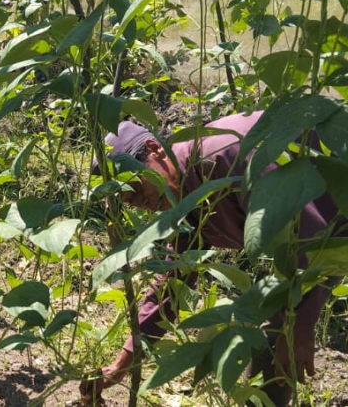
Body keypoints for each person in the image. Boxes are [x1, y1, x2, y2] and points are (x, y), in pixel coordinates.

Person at [80, 111, 344, 406]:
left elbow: (308, 237)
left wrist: (300, 325)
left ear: (155, 149)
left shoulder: (226, 154)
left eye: (137, 187)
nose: (142, 202)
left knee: (284, 325)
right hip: (326, 234)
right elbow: (174, 279)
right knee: (278, 327)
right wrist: (123, 363)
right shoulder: (184, 195)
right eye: (131, 201)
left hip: (330, 219)